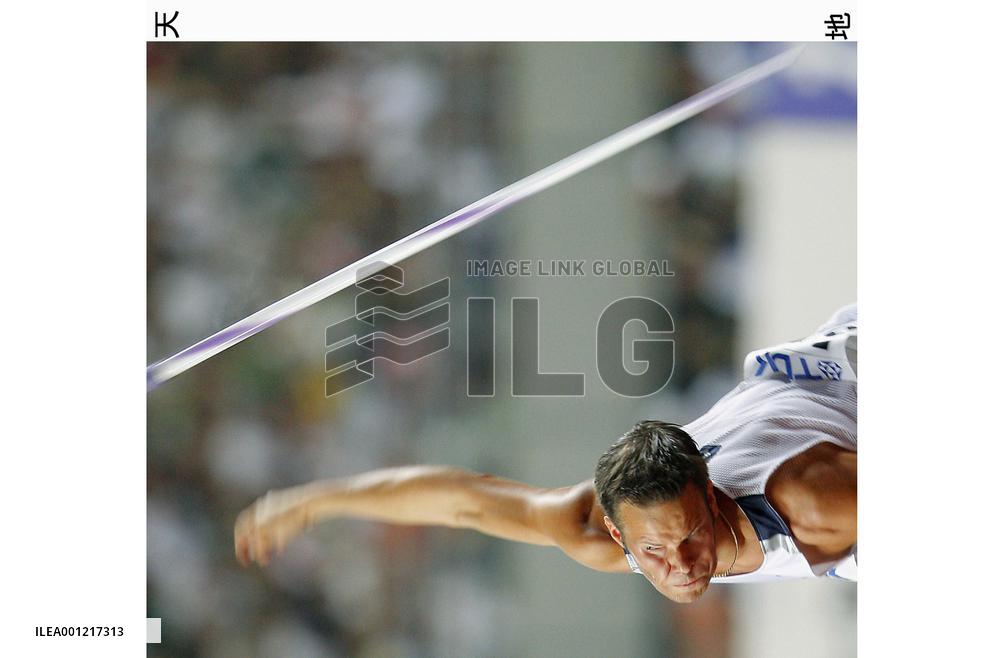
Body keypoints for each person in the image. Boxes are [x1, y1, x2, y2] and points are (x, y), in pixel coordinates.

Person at [235, 304, 857, 603]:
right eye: (653, 550)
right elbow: (465, 504)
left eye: (693, 534)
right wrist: (317, 499)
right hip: (807, 387)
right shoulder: (599, 532)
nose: (681, 566)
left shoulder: (814, 504)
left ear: (711, 491)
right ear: (616, 533)